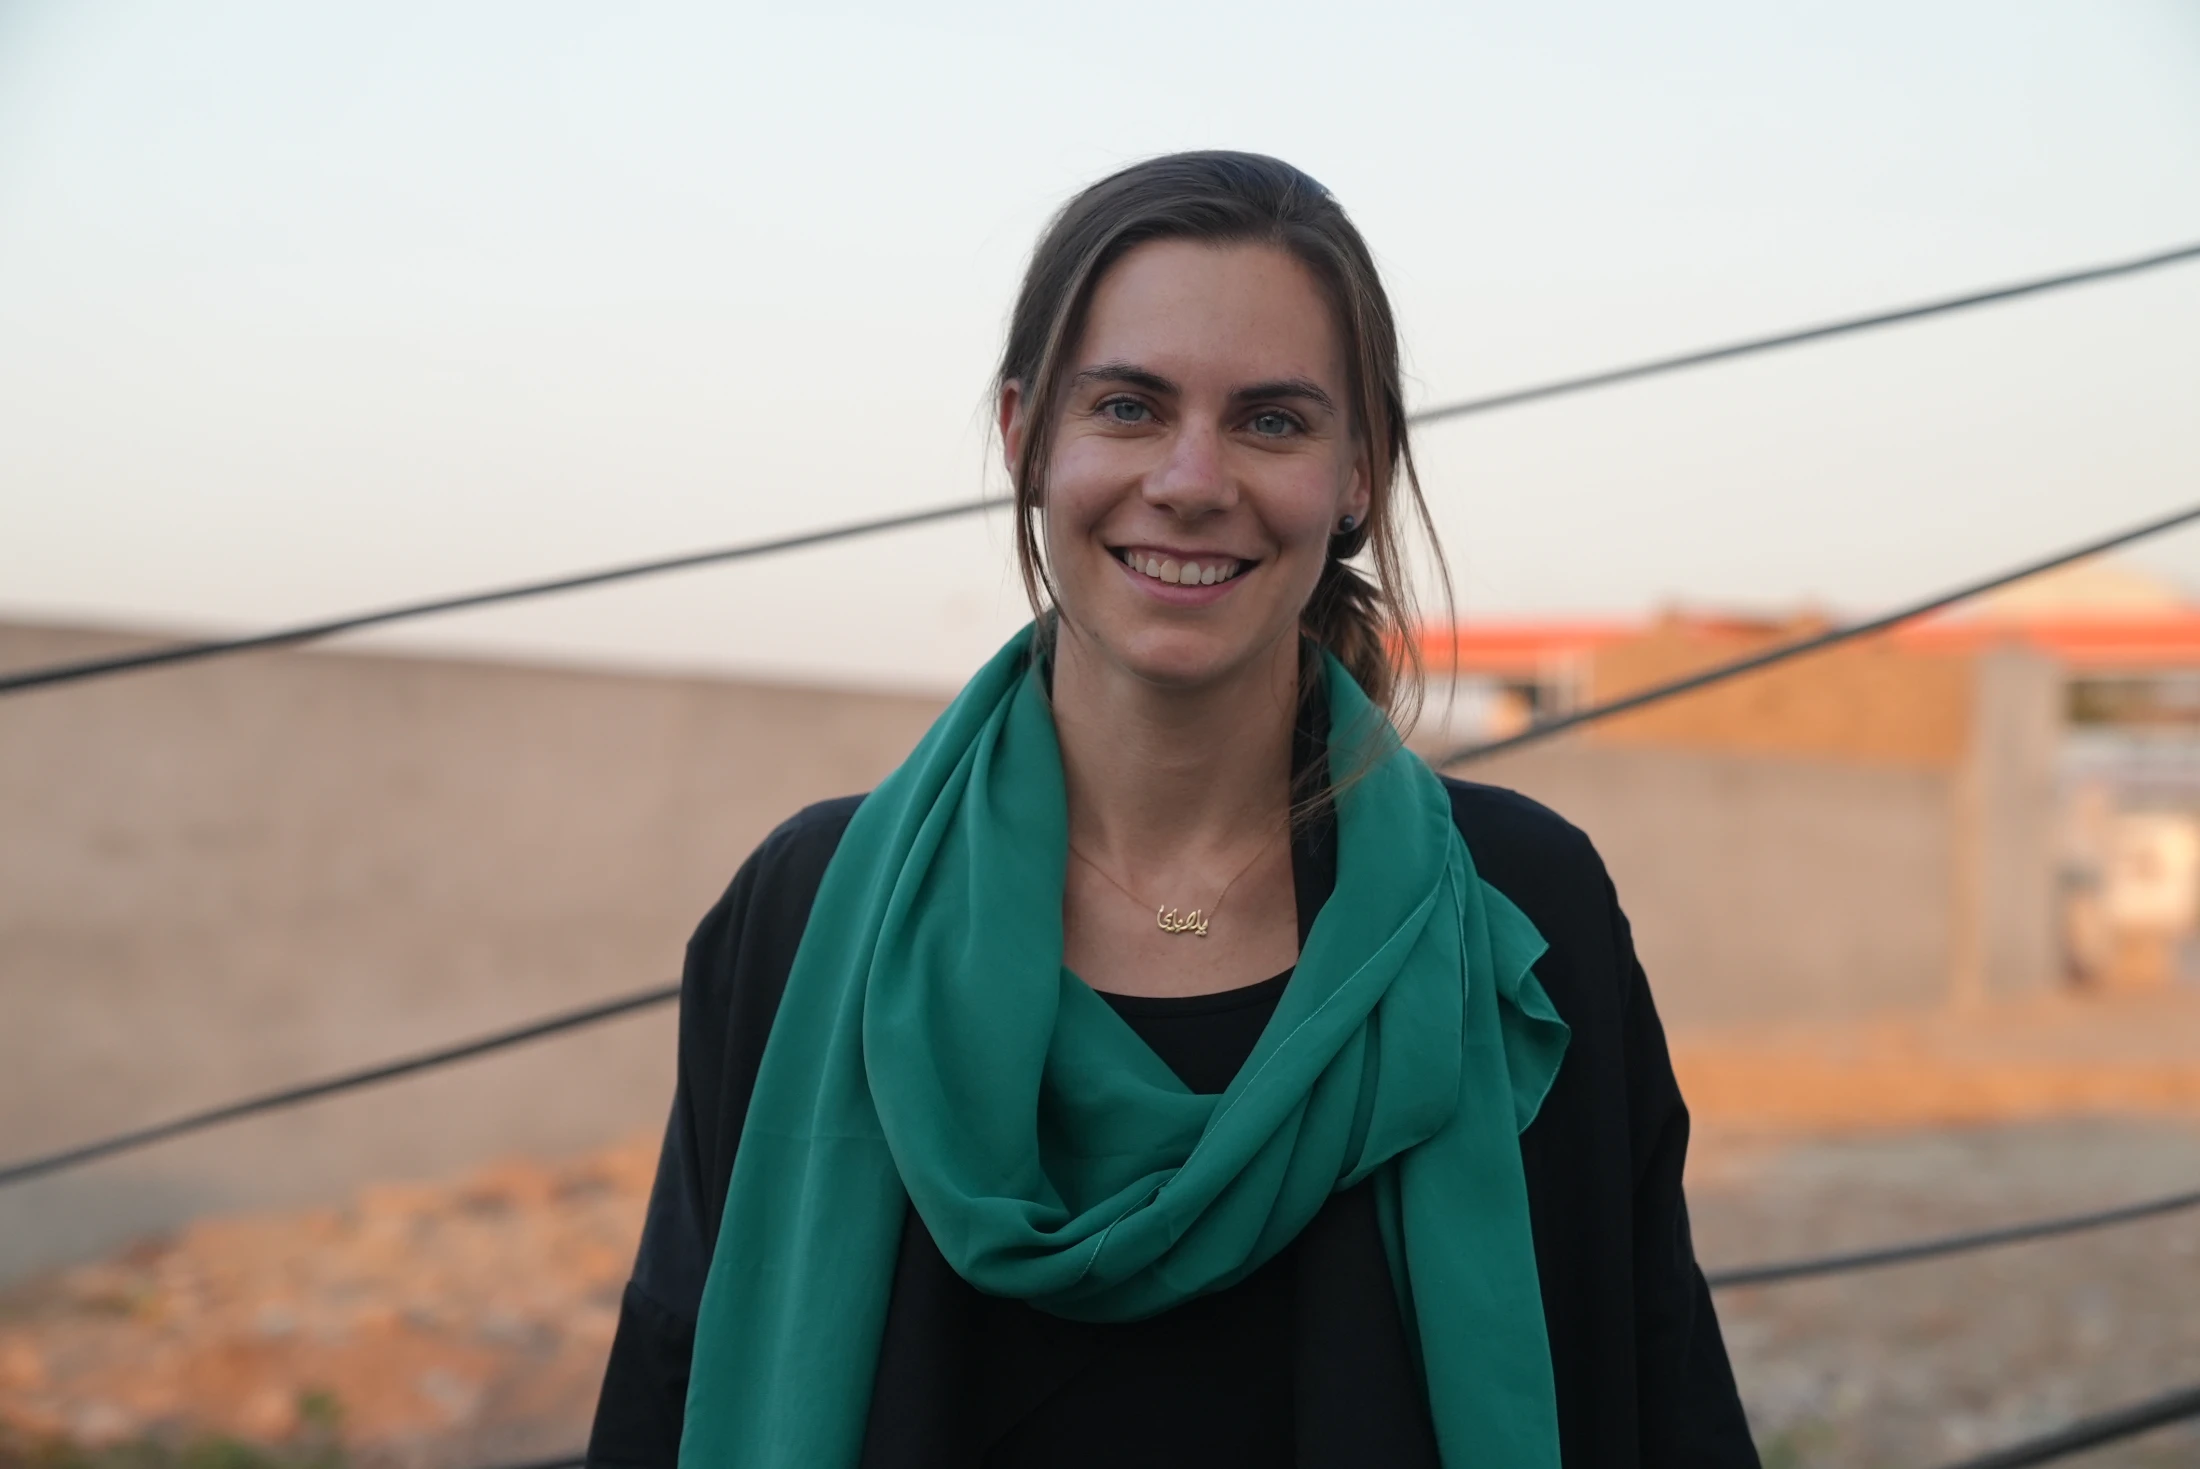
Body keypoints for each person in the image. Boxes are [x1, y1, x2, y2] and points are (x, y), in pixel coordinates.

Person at [586, 151, 1759, 1469]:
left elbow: (1655, 1393)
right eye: (1130, 407)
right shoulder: (808, 910)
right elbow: (668, 1392)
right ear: (1026, 436)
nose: (1193, 481)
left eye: (1272, 421)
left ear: (1359, 471)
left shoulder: (1521, 914)